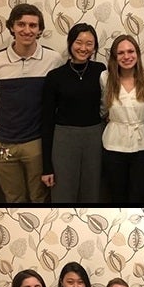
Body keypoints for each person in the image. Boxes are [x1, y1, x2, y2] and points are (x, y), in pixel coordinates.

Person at [0, 3, 63, 202]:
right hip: (3, 145)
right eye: (21, 24)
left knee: (40, 197)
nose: (27, 30)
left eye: (33, 25)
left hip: (36, 144)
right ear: (11, 27)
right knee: (13, 199)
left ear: (39, 30)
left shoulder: (53, 59)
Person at [40, 22, 106, 202]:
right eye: (78, 42)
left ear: (95, 47)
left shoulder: (101, 71)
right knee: (62, 193)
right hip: (63, 139)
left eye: (89, 43)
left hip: (94, 136)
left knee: (93, 193)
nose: (83, 48)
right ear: (70, 43)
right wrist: (47, 167)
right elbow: (46, 120)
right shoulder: (55, 76)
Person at [100, 34, 144, 203]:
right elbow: (102, 108)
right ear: (115, 57)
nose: (126, 56)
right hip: (114, 145)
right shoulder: (105, 78)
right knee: (117, 196)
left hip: (143, 145)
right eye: (121, 53)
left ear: (137, 54)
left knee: (139, 195)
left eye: (131, 51)